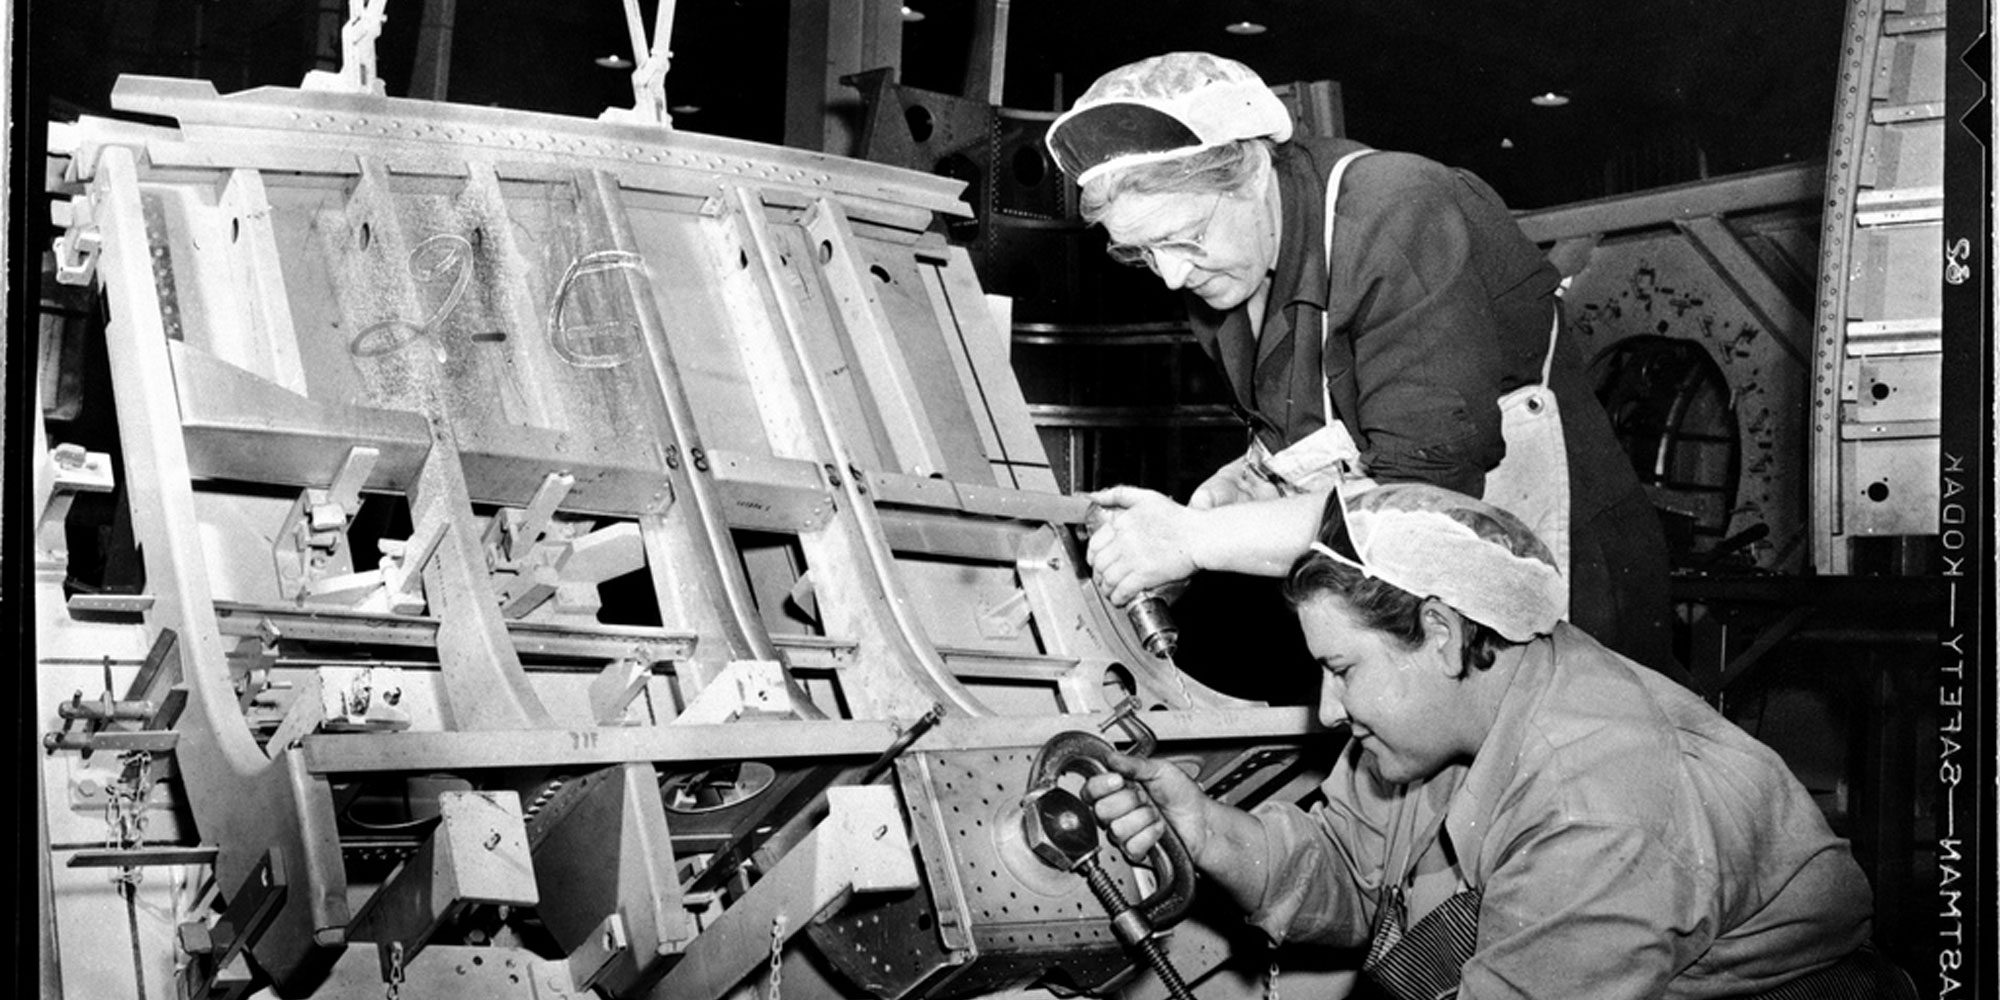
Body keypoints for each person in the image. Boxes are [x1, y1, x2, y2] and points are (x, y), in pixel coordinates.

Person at [1081, 482, 1898, 999]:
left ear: (1439, 632)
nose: (1328, 711)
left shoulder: (1596, 805)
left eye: (1342, 669)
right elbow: (1347, 875)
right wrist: (1209, 831)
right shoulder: (1437, 718)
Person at [1045, 52, 1680, 676]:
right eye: (1140, 254)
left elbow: (1422, 498)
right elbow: (1325, 429)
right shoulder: (1224, 277)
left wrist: (1194, 541)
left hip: (1565, 579)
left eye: (1185, 238)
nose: (1172, 274)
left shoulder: (1396, 209)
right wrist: (1247, 485)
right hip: (1411, 594)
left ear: (1255, 171)